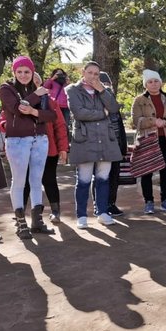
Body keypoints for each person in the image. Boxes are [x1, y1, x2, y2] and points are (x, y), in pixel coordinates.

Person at [0, 56, 56, 240]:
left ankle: (37, 221)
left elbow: (51, 115)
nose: (23, 75)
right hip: (17, 141)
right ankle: (21, 223)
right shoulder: (6, 89)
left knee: (36, 181)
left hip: (39, 139)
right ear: (14, 72)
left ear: (32, 72)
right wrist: (35, 97)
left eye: (27, 71)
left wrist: (34, 111)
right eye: (19, 71)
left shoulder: (38, 90)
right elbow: (17, 109)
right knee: (19, 181)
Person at [66, 61, 122, 228]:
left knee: (103, 179)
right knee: (83, 180)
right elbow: (79, 113)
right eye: (90, 72)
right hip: (84, 140)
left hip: (105, 139)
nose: (93, 76)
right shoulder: (72, 90)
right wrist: (102, 113)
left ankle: (102, 212)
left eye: (96, 74)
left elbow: (113, 108)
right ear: (83, 72)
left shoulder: (105, 91)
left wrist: (101, 91)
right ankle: (81, 215)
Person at [16, 72, 68, 225]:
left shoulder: (51, 102)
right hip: (24, 148)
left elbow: (60, 126)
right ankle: (20, 215)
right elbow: (5, 120)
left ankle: (55, 211)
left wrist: (63, 148)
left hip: (48, 149)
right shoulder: (19, 102)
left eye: (37, 81)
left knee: (49, 179)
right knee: (24, 181)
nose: (35, 84)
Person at [131, 69, 166, 214]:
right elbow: (136, 120)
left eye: (156, 81)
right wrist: (153, 121)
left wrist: (165, 121)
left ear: (160, 82)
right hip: (149, 140)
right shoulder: (139, 100)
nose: (153, 84)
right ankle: (149, 202)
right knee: (147, 172)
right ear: (146, 84)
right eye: (150, 82)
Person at [91, 72, 128, 216]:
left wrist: (123, 146)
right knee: (100, 177)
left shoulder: (112, 101)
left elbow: (120, 127)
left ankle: (111, 203)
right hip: (100, 147)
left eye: (107, 84)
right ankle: (98, 205)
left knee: (114, 177)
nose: (105, 87)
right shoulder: (93, 101)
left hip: (116, 147)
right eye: (102, 84)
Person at [43, 68, 71, 135]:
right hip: (55, 106)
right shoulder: (52, 82)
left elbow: (71, 91)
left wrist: (68, 82)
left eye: (61, 73)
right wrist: (53, 78)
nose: (59, 75)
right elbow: (45, 86)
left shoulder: (66, 82)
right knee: (55, 124)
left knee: (65, 124)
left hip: (65, 107)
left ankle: (65, 139)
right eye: (58, 73)